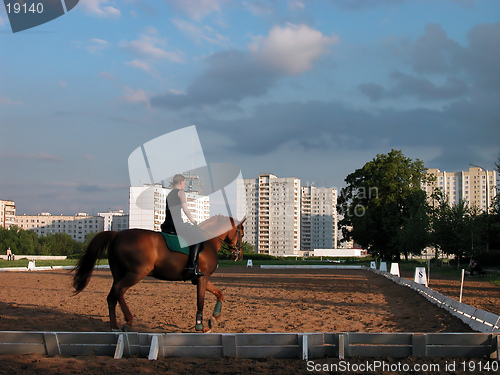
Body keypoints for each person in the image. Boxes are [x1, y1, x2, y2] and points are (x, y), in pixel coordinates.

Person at [161, 174, 205, 282]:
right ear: (181, 182)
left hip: (167, 224)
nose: (184, 185)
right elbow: (186, 210)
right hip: (176, 224)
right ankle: (191, 266)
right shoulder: (180, 193)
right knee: (198, 238)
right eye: (184, 183)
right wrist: (194, 222)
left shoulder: (170, 194)